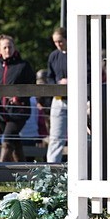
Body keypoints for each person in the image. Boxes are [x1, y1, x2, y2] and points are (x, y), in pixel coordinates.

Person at [0, 34, 36, 163]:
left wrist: (19, 97)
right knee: (15, 142)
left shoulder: (23, 66)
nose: (8, 50)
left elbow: (32, 86)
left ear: (14, 48)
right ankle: (25, 173)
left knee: (6, 141)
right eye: (5, 47)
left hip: (18, 112)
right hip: (1, 112)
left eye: (10, 47)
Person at [46, 27, 68, 164]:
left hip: (77, 100)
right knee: (55, 137)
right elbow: (49, 77)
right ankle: (51, 169)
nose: (58, 44)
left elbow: (88, 75)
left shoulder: (79, 53)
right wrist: (57, 85)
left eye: (60, 41)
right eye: (55, 42)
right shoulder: (53, 56)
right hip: (58, 99)